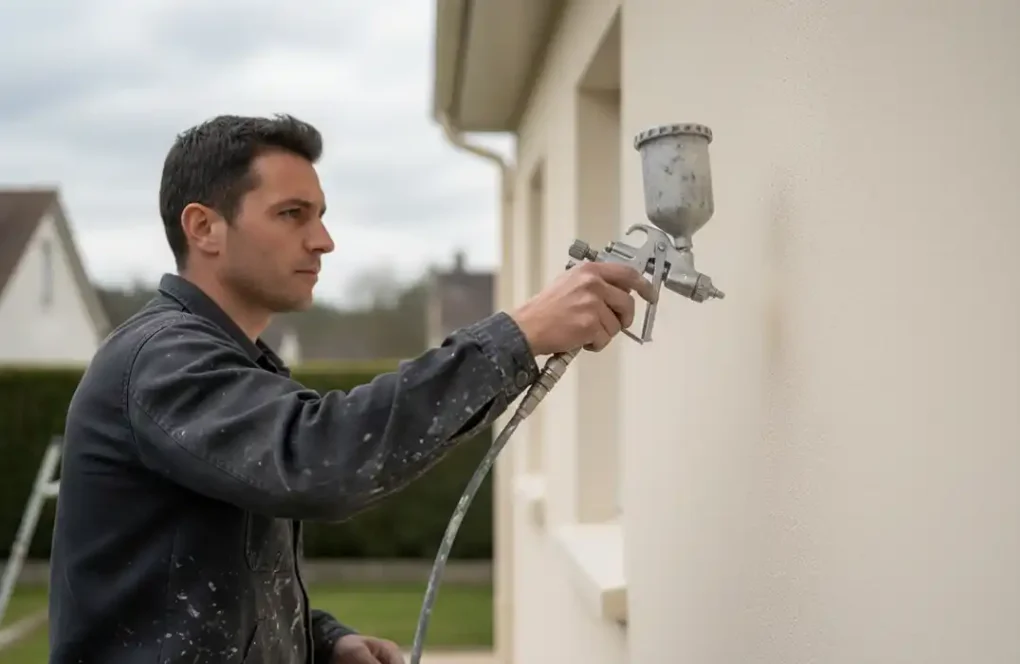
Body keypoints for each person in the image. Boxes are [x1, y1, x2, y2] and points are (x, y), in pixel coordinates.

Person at [47, 114, 655, 664]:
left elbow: (207, 580)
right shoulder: (164, 360)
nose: (323, 241)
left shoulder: (228, 363)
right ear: (204, 227)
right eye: (292, 214)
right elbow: (320, 458)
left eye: (321, 215)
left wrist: (322, 640)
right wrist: (517, 335)